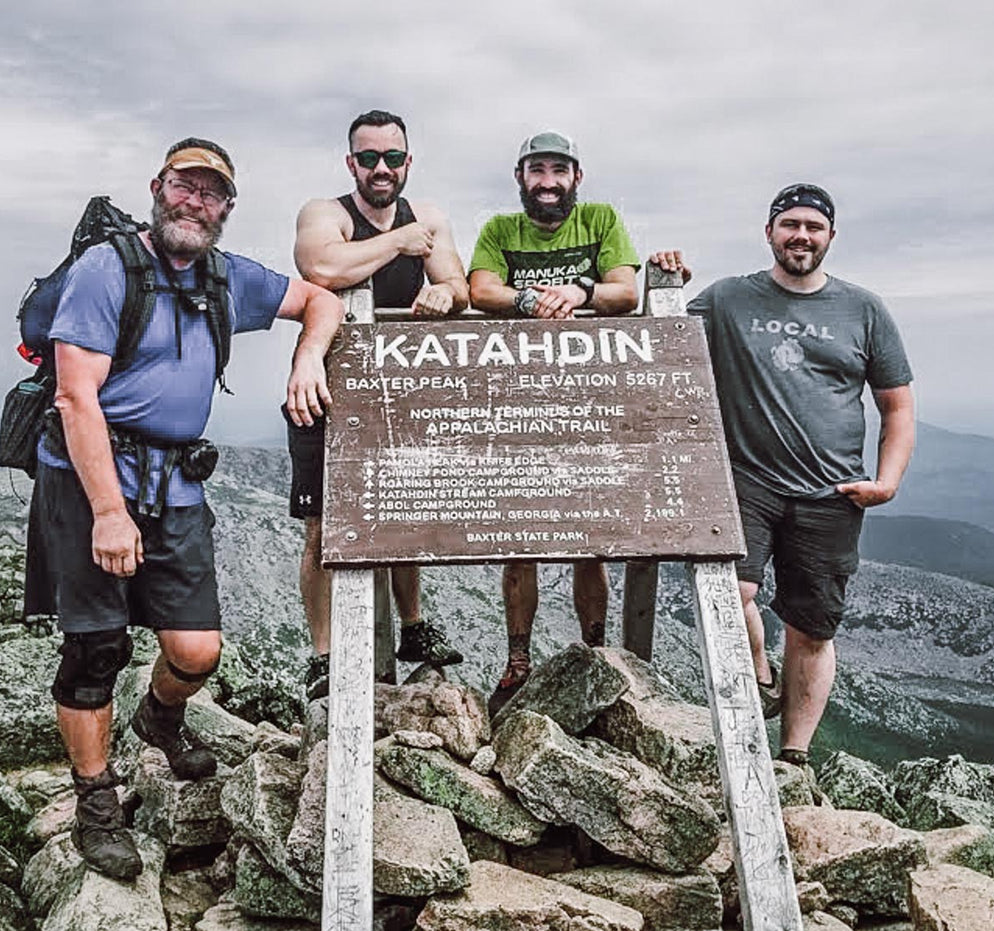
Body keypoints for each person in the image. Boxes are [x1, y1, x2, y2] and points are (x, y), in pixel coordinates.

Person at [25, 137, 343, 880]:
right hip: (89, 481)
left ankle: (159, 716)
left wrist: (306, 358)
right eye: (184, 186)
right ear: (157, 187)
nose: (195, 202)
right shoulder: (107, 269)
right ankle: (96, 802)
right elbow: (75, 396)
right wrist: (109, 512)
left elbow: (319, 299)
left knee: (197, 649)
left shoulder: (225, 277)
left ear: (226, 208)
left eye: (211, 193)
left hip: (174, 486)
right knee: (96, 648)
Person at [675, 183, 915, 768]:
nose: (800, 236)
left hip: (833, 491)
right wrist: (667, 278)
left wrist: (887, 482)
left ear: (830, 236)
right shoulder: (727, 298)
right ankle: (759, 672)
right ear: (769, 233)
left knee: (811, 629)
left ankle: (794, 755)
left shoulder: (864, 310)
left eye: (813, 226)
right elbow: (662, 340)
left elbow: (897, 407)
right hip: (745, 479)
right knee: (733, 593)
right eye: (790, 225)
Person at [290, 109, 470, 698]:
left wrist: (444, 294)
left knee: (404, 509)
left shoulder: (428, 218)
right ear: (352, 163)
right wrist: (400, 243)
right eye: (369, 158)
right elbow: (321, 266)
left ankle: (412, 625)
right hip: (326, 388)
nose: (381, 169)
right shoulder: (327, 213)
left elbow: (458, 285)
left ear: (407, 161)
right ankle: (324, 653)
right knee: (322, 526)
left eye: (392, 158)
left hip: (398, 392)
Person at [466, 131, 642, 714]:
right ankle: (518, 661)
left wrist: (577, 291)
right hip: (517, 401)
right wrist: (529, 301)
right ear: (521, 177)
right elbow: (481, 289)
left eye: (558, 170)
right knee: (519, 538)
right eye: (536, 170)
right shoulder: (499, 230)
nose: (547, 182)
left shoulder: (601, 219)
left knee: (589, 540)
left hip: (590, 400)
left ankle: (595, 653)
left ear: (576, 177)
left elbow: (625, 291)